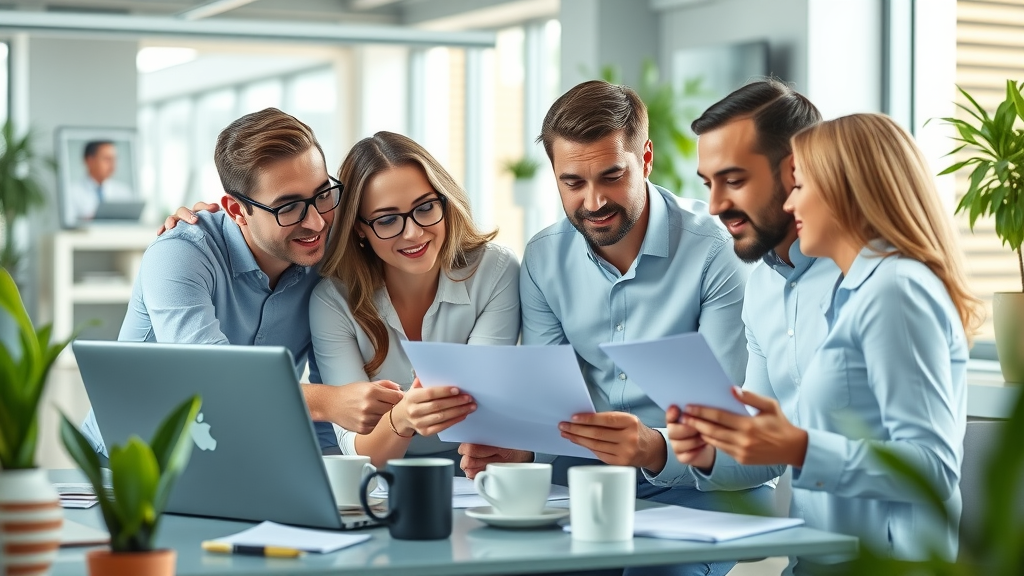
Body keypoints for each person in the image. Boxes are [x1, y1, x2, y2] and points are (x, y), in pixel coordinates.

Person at [459, 80, 769, 576]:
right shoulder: (543, 258)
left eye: (611, 176)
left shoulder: (716, 252)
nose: (594, 201)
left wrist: (653, 447)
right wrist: (521, 446)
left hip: (700, 486)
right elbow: (551, 401)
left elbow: (729, 425)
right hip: (585, 482)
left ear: (645, 160)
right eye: (573, 183)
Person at [672, 113, 983, 571]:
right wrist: (715, 451)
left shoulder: (896, 290)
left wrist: (796, 447)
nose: (791, 204)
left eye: (800, 186)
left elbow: (931, 468)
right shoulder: (850, 292)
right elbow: (794, 440)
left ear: (846, 191)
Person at [81, 108, 404, 456]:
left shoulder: (325, 250)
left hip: (226, 456)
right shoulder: (179, 254)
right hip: (125, 458)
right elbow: (211, 380)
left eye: (322, 193)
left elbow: (324, 423)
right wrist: (328, 401)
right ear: (236, 211)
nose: (315, 221)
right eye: (289, 207)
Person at [309, 131, 521, 469]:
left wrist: (396, 414)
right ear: (360, 228)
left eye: (424, 208)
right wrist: (403, 418)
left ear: (444, 201)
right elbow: (361, 453)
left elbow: (481, 411)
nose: (413, 232)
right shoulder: (332, 301)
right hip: (383, 480)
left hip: (474, 472)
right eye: (388, 219)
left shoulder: (495, 271)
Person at [70, 140, 135, 222]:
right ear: (89, 161)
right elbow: (70, 226)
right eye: (107, 159)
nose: (112, 165)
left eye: (114, 159)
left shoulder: (124, 192)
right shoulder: (72, 192)